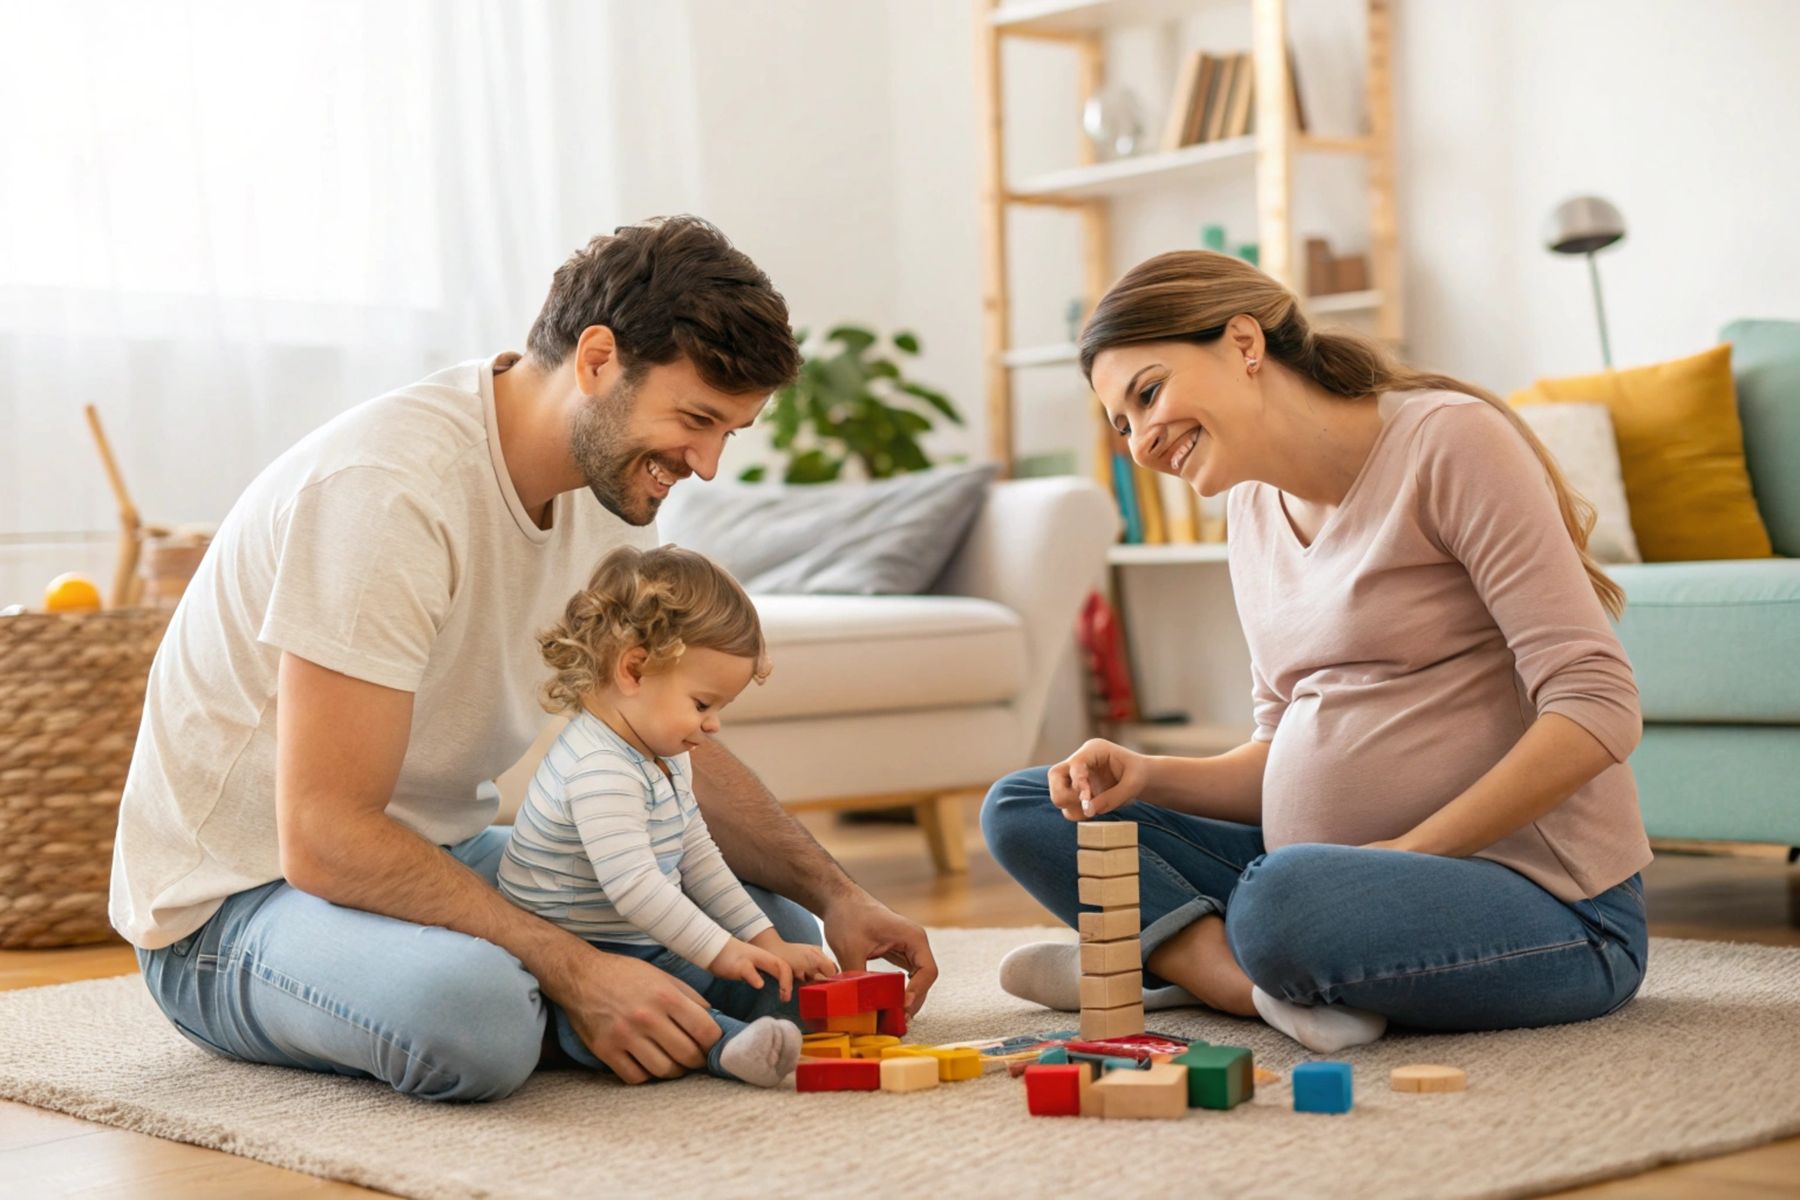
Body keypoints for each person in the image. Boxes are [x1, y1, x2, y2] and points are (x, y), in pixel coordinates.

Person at [113, 215, 937, 1101]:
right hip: (238, 904)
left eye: (727, 433)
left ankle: (608, 998)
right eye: (696, 420)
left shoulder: (609, 488)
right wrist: (578, 969)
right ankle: (570, 1005)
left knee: (774, 938)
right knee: (479, 1016)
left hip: (435, 855)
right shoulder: (390, 493)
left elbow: (660, 734)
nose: (703, 465)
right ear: (595, 361)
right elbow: (324, 839)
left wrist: (836, 890)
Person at [984, 250, 1649, 1053]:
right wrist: (1150, 774)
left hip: (1549, 906)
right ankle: (1234, 980)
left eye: (1149, 393)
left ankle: (1183, 961)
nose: (1142, 443)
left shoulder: (1449, 443)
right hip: (1320, 882)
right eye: (1121, 424)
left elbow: (1598, 703)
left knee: (1287, 902)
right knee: (1027, 806)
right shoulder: (1253, 510)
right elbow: (1281, 749)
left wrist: (1398, 862)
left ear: (1242, 343)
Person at [499, 544, 836, 1088]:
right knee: (678, 999)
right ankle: (723, 1047)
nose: (713, 725)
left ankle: (767, 1020)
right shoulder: (598, 766)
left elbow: (697, 856)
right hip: (584, 955)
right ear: (633, 669)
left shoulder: (664, 751)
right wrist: (722, 951)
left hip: (639, 938)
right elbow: (634, 886)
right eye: (703, 705)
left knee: (777, 981)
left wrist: (763, 941)